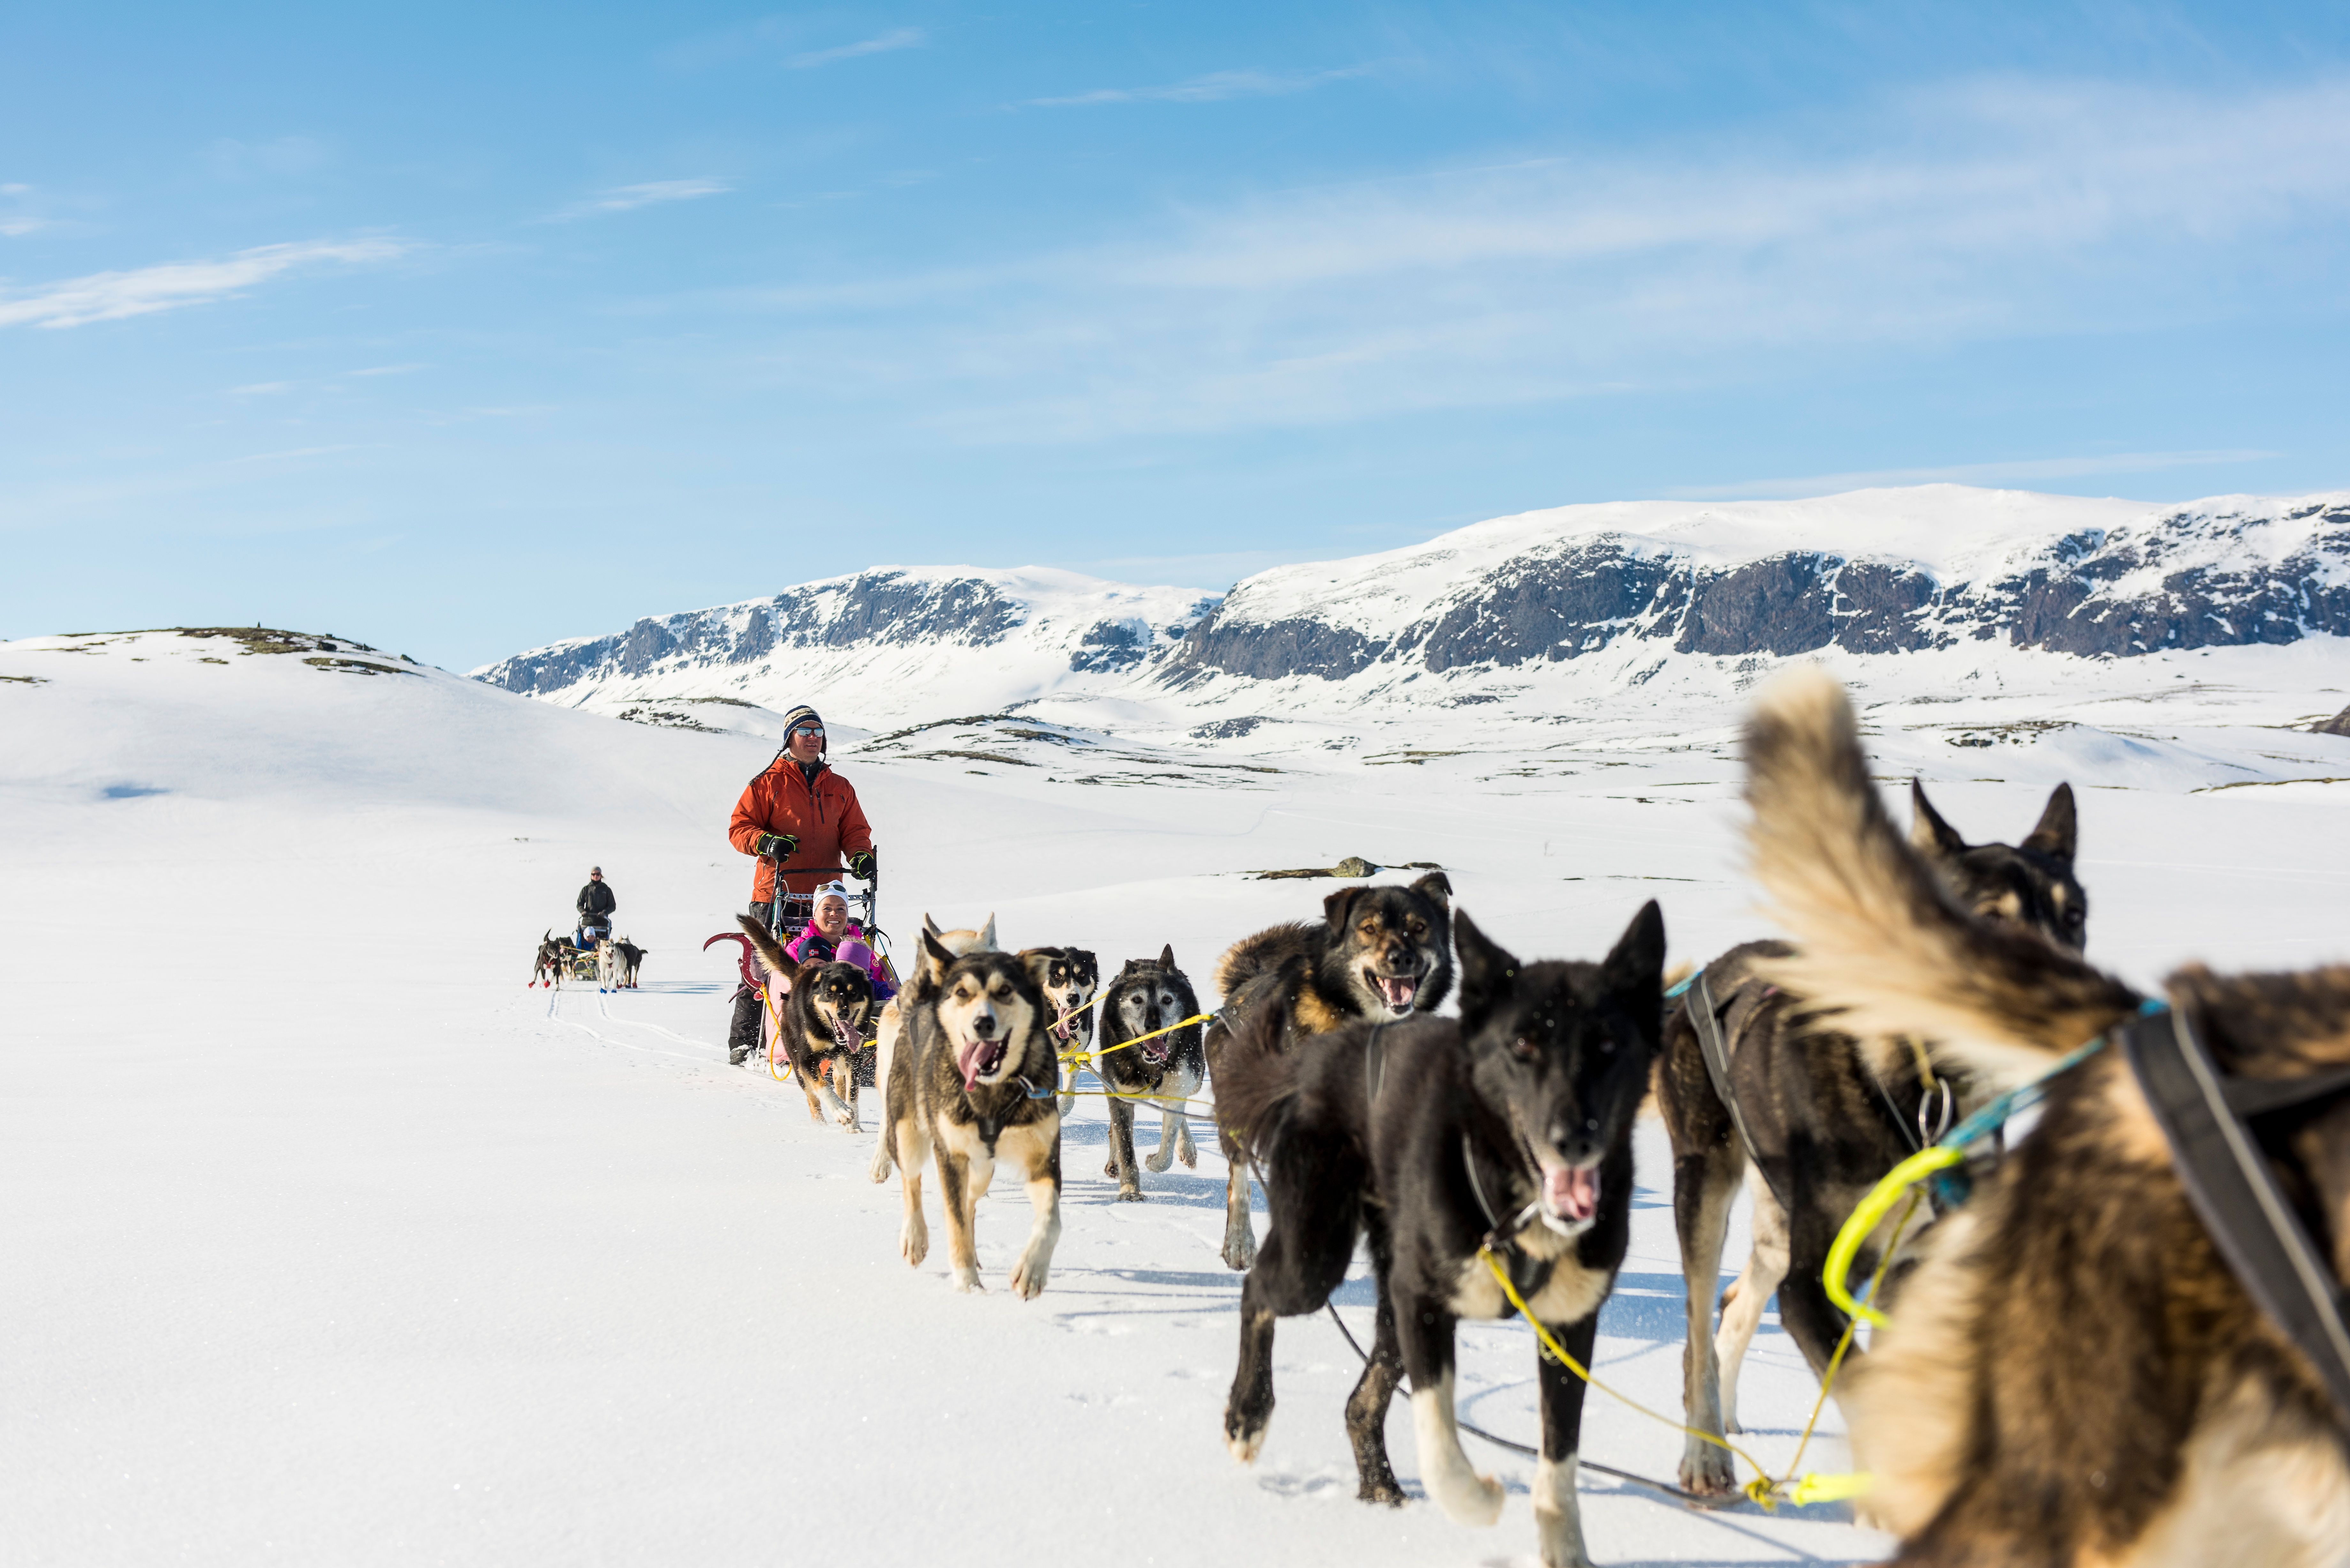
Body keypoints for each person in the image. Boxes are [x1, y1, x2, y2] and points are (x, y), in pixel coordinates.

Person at [724, 706, 877, 1064]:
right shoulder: (766, 784)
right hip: (776, 891)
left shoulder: (839, 787)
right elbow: (739, 828)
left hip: (827, 897)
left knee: (834, 969)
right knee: (763, 968)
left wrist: (860, 855)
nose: (812, 737)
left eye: (818, 731)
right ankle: (744, 1041)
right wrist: (766, 842)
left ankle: (840, 1039)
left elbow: (855, 830)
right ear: (789, 737)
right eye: (804, 730)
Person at [784, 881, 897, 1002]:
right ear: (815, 914)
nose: (834, 914)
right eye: (827, 909)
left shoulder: (859, 947)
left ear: (847, 914)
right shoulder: (797, 949)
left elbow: (875, 984)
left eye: (841, 909)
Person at [576, 866, 616, 944]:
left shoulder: (606, 890)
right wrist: (583, 912)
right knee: (584, 944)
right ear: (591, 875)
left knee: (602, 946)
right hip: (588, 922)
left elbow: (612, 906)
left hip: (602, 923)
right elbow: (579, 904)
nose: (596, 876)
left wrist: (604, 913)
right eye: (594, 874)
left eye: (598, 874)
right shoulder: (586, 889)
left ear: (601, 876)